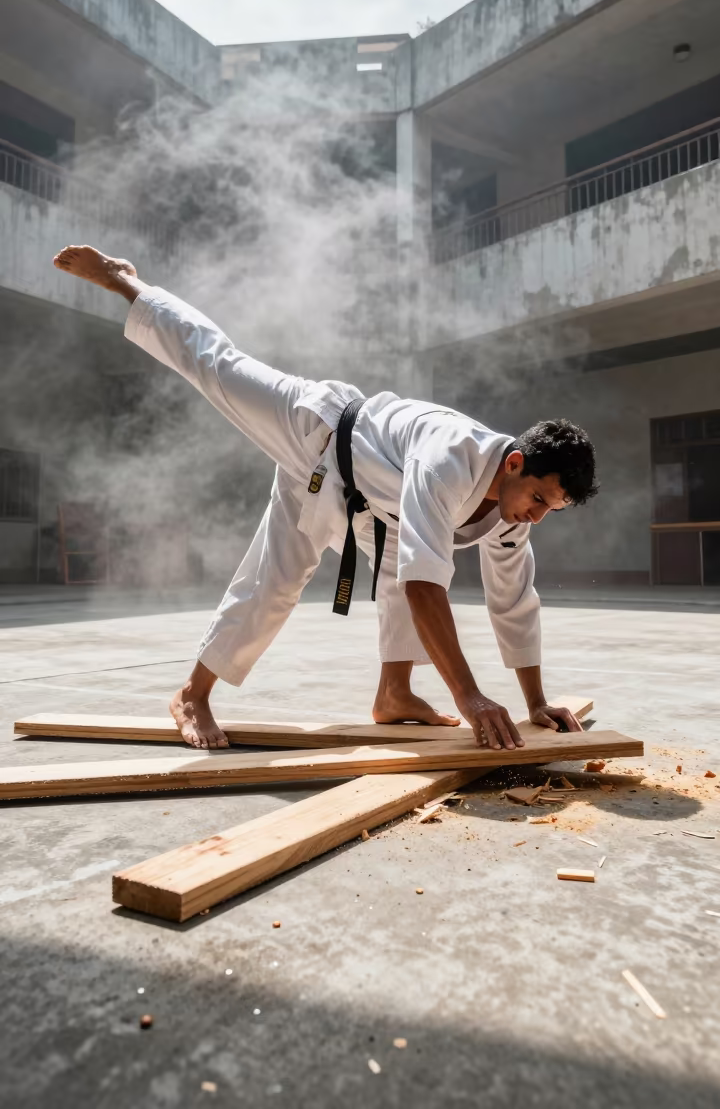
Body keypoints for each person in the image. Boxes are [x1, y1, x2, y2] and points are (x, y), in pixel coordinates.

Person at [53, 245, 598, 752]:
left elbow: (513, 602)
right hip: (316, 429)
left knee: (395, 569)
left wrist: (535, 703)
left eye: (553, 508)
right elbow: (427, 587)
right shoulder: (447, 459)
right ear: (514, 464)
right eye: (538, 499)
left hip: (368, 502)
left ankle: (394, 695)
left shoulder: (515, 510)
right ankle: (128, 282)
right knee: (219, 370)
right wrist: (470, 697)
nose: (538, 515)